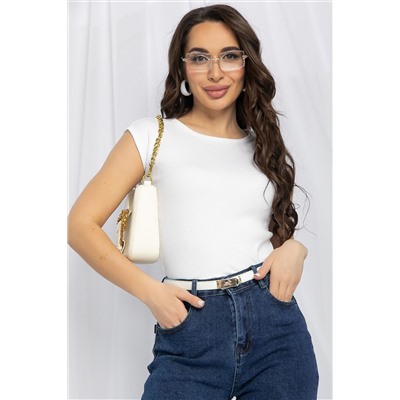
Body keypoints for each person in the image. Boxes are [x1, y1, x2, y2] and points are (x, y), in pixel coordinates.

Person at [68, 4, 319, 399]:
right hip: (191, 328)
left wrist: (295, 249)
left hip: (275, 330)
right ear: (182, 69)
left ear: (247, 65)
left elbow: (256, 228)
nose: (215, 72)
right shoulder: (150, 135)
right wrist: (151, 293)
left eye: (229, 56)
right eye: (200, 58)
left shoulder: (261, 143)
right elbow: (80, 225)